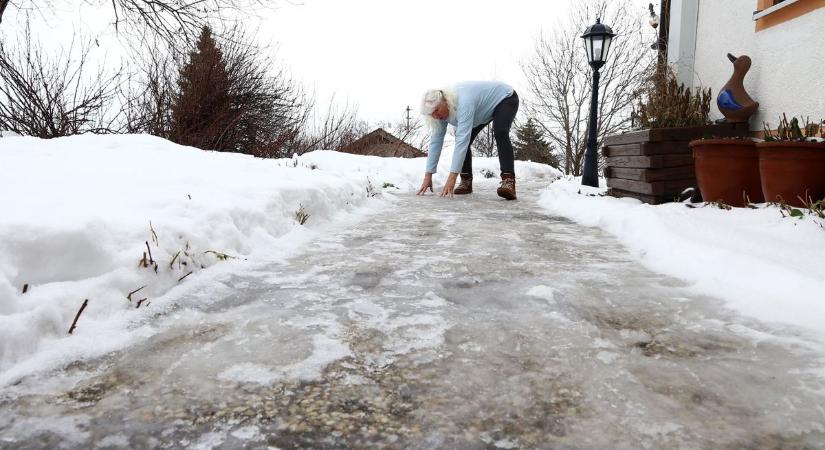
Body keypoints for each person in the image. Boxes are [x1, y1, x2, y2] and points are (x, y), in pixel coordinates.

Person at [416, 81, 519, 200]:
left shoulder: (464, 102)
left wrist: (452, 178)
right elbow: (436, 142)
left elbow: (462, 141)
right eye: (432, 114)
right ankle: (466, 181)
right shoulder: (439, 115)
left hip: (505, 98)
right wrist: (428, 176)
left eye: (437, 110)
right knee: (465, 140)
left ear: (445, 101)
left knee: (500, 132)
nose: (436, 116)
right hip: (481, 111)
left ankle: (508, 181)